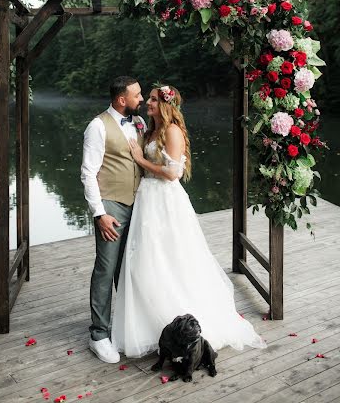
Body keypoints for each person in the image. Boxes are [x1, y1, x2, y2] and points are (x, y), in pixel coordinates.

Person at [111, 85, 267, 358]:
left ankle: (180, 323)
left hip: (165, 202)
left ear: (165, 105)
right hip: (147, 202)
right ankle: (151, 325)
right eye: (148, 98)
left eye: (154, 99)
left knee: (171, 258)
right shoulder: (149, 129)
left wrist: (139, 159)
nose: (148, 102)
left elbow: (173, 173)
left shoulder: (172, 131)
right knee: (145, 261)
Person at [81, 76, 146, 363]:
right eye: (137, 95)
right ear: (122, 99)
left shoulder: (138, 124)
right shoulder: (97, 126)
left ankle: (126, 327)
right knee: (106, 271)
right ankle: (99, 335)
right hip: (111, 209)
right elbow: (87, 173)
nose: (141, 99)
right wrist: (100, 213)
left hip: (138, 205)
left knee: (129, 270)